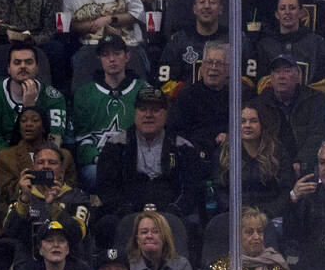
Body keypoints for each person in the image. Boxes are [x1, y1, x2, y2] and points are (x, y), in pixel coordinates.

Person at [0, 43, 68, 227]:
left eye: (28, 62)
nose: (23, 66)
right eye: (17, 62)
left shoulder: (54, 97)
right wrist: (15, 156)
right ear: (9, 68)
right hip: (5, 155)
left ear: (37, 67)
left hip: (41, 155)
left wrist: (30, 108)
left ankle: (56, 217)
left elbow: (55, 141)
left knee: (63, 157)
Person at [94, 87, 203, 248]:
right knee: (106, 224)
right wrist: (127, 212)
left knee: (193, 228)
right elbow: (106, 187)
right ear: (135, 112)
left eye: (155, 110)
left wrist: (173, 212)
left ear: (166, 113)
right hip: (127, 213)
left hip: (171, 214)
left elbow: (192, 189)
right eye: (143, 109)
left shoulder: (183, 147)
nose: (148, 115)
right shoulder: (115, 146)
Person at [73, 34, 150, 191]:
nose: (112, 59)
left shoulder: (145, 90)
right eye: (105, 55)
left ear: (127, 56)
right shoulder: (84, 94)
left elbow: (153, 131)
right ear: (99, 59)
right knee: (94, 173)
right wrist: (99, 158)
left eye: (117, 53)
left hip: (136, 159)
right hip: (99, 162)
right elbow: (81, 139)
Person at [1, 141, 91, 260]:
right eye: (40, 162)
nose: (46, 166)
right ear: (33, 168)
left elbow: (77, 234)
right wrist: (24, 199)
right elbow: (10, 231)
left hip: (69, 265)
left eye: (52, 162)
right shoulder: (23, 196)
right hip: (28, 265)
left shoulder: (77, 197)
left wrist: (53, 207)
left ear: (62, 172)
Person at [212, 100, 295, 222]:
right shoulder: (224, 152)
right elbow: (219, 189)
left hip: (270, 218)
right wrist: (238, 214)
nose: (247, 125)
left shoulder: (277, 152)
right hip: (234, 218)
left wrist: (265, 214)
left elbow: (285, 191)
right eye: (242, 121)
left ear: (262, 124)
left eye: (253, 121)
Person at [254, 53, 325, 177]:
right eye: (277, 72)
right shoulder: (260, 103)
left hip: (308, 165)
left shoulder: (314, 99)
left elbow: (319, 134)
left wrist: (302, 160)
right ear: (271, 78)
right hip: (271, 166)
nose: (281, 76)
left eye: (287, 71)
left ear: (297, 76)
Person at [169, 42, 247, 163]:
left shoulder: (236, 96)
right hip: (194, 157)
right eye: (209, 62)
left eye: (219, 63)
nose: (213, 67)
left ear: (228, 69)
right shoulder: (188, 94)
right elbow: (177, 132)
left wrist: (229, 136)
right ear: (203, 66)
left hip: (228, 156)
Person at [0, 110, 79, 221]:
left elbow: (72, 188)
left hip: (59, 213)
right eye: (23, 121)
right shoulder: (5, 156)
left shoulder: (65, 156)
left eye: (35, 120)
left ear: (44, 126)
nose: (28, 124)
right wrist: (24, 189)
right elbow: (5, 195)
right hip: (22, 214)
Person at [253, 0, 325, 95]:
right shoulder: (265, 45)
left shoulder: (317, 43)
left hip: (308, 105)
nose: (287, 12)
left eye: (292, 8)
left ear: (301, 13)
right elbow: (259, 83)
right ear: (277, 15)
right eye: (282, 8)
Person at [156, 0, 231, 93]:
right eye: (202, 2)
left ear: (220, 9)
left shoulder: (234, 39)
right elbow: (164, 81)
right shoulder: (179, 40)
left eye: (212, 2)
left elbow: (247, 81)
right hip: (187, 104)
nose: (206, 6)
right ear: (194, 9)